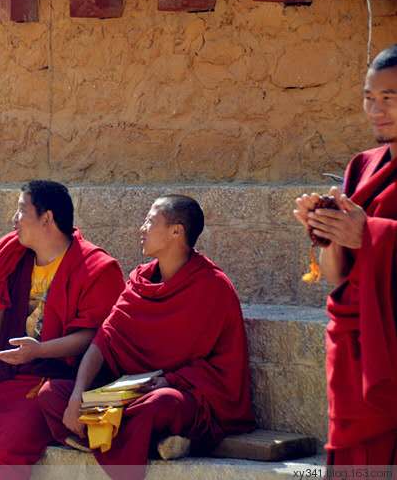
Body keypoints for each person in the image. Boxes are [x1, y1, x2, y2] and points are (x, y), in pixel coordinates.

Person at [38, 195, 255, 479]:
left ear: (176, 231)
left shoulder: (213, 287)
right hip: (127, 393)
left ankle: (103, 440)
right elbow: (104, 340)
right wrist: (78, 393)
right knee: (52, 395)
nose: (141, 228)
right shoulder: (139, 281)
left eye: (150, 221)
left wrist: (167, 381)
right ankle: (152, 443)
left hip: (178, 395)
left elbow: (219, 369)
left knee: (159, 405)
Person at [0, 180, 124, 472]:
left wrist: (39, 351)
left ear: (47, 218)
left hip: (57, 380)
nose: (14, 219)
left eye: (21, 210)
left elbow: (96, 336)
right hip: (9, 378)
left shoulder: (96, 266)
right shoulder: (13, 258)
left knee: (3, 447)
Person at [294, 44, 397, 466]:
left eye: (389, 98)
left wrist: (369, 234)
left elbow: (367, 239)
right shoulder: (362, 167)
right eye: (369, 97)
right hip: (358, 347)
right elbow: (339, 276)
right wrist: (325, 230)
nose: (376, 109)